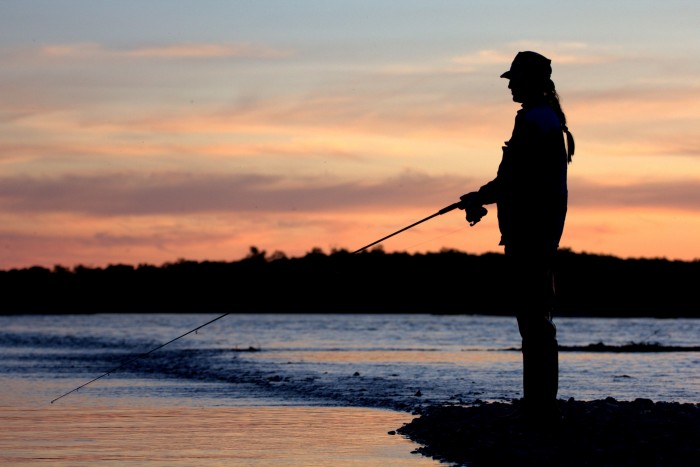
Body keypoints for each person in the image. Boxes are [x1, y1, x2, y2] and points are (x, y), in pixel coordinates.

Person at [458, 51, 575, 422]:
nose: (509, 84)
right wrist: (484, 197)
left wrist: (480, 196)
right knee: (534, 313)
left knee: (532, 316)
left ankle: (540, 405)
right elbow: (521, 177)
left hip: (532, 229)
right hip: (536, 228)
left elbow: (517, 177)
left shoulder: (536, 121)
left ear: (532, 81)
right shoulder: (545, 118)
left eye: (515, 79)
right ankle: (539, 402)